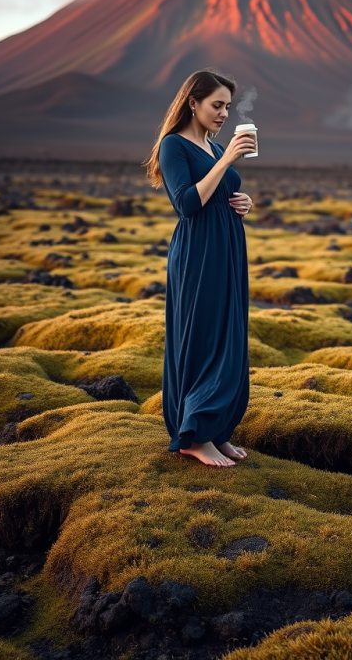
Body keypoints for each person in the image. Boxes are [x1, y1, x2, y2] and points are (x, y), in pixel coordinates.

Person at [143, 68, 257, 468]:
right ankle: (192, 434)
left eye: (227, 106)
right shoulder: (174, 145)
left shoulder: (211, 145)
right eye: (216, 105)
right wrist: (227, 160)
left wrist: (241, 203)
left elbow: (216, 193)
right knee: (202, 337)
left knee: (228, 336)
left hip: (226, 247)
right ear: (193, 102)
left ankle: (216, 429)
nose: (225, 113)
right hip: (198, 253)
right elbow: (187, 204)